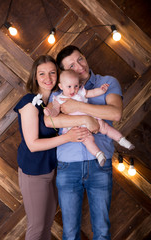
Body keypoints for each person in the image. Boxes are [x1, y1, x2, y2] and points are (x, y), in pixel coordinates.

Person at [44, 45, 125, 240]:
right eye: (72, 64)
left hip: (100, 164)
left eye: (80, 59)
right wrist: (86, 119)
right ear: (64, 72)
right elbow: (50, 120)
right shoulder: (59, 94)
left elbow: (115, 113)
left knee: (102, 231)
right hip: (67, 165)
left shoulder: (107, 83)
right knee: (70, 233)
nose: (79, 66)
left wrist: (77, 106)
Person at [13, 55, 91, 240]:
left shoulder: (55, 102)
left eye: (52, 73)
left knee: (47, 223)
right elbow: (32, 145)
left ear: (58, 76)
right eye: (42, 74)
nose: (47, 78)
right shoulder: (29, 102)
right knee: (37, 226)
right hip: (33, 171)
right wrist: (68, 137)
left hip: (52, 169)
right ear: (35, 77)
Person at [44, 69, 134, 167]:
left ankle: (121, 140)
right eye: (69, 86)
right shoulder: (58, 99)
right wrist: (50, 112)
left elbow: (92, 93)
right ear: (61, 86)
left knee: (105, 127)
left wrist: (101, 90)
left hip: (92, 119)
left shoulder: (80, 92)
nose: (73, 90)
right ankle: (99, 154)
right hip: (77, 126)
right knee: (87, 139)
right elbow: (55, 111)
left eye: (76, 86)